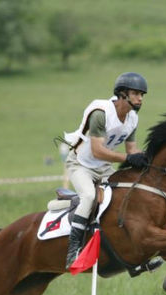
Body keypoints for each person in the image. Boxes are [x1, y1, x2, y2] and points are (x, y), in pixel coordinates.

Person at [62, 72, 150, 269]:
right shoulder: (101, 113)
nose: (140, 98)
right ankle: (73, 249)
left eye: (142, 95)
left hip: (103, 168)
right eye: (136, 93)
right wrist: (129, 158)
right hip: (81, 165)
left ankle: (131, 251)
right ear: (122, 94)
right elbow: (97, 150)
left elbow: (132, 150)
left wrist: (147, 157)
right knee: (88, 196)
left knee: (129, 194)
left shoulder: (132, 119)